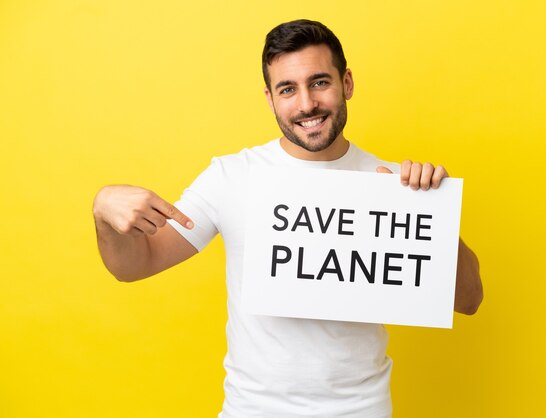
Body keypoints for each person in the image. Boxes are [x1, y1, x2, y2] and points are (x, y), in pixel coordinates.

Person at [93, 19, 483, 417]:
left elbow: (469, 300)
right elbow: (134, 265)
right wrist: (103, 211)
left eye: (319, 82)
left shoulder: (392, 183)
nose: (306, 104)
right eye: (287, 89)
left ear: (346, 83)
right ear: (270, 98)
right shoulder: (232, 176)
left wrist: (433, 216)